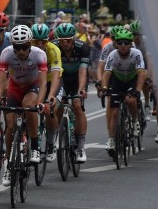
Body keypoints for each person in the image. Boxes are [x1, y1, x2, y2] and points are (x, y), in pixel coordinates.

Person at [0, 25, 49, 185]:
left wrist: (39, 102)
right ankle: (10, 164)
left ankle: (34, 147)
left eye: (25, 47)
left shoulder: (39, 54)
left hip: (32, 86)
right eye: (17, 48)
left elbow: (44, 81)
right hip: (15, 87)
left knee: (28, 105)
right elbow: (0, 80)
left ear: (30, 44)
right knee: (10, 126)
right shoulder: (6, 53)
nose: (21, 51)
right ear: (12, 46)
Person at [97, 26, 146, 155]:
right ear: (116, 44)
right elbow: (107, 73)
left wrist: (138, 90)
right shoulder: (112, 54)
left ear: (131, 44)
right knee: (114, 111)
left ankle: (135, 121)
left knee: (130, 100)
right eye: (120, 43)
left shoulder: (136, 53)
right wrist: (104, 88)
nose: (123, 45)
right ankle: (112, 139)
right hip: (118, 80)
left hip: (131, 78)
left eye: (126, 43)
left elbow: (141, 73)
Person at [53, 22, 91, 162]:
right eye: (62, 40)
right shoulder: (54, 46)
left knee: (76, 104)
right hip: (61, 78)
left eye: (68, 40)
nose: (65, 43)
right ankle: (58, 132)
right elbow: (55, 73)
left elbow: (82, 71)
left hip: (77, 78)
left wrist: (81, 89)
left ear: (73, 38)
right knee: (58, 105)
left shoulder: (83, 47)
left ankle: (81, 147)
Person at [31, 22, 63, 162]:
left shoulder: (53, 50)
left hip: (51, 81)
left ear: (47, 40)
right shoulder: (27, 50)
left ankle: (51, 143)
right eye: (35, 41)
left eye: (43, 41)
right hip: (35, 82)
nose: (39, 45)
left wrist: (50, 96)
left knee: (49, 109)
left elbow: (56, 75)